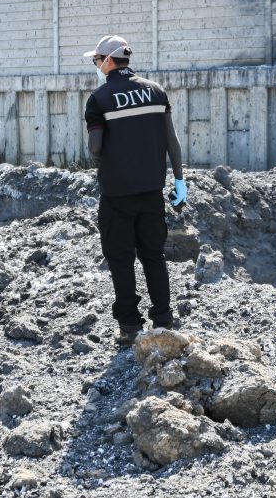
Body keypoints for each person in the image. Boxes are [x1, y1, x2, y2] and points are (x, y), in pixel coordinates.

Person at [83, 36, 187, 345]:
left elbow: (95, 147)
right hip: (152, 191)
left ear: (110, 61)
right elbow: (172, 140)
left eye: (97, 60)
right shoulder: (156, 92)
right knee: (153, 256)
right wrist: (179, 179)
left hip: (117, 194)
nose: (96, 65)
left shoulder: (99, 99)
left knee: (121, 259)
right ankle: (163, 320)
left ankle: (130, 327)